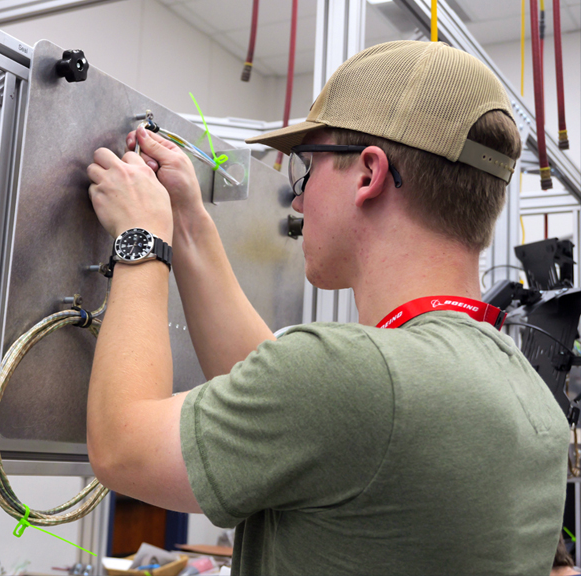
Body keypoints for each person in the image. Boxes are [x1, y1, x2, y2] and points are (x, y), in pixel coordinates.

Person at [85, 40, 568, 575]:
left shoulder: (353, 379)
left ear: (368, 175)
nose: (298, 199)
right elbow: (296, 410)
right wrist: (191, 225)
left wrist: (141, 238)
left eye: (307, 168)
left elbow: (122, 448)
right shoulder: (528, 396)